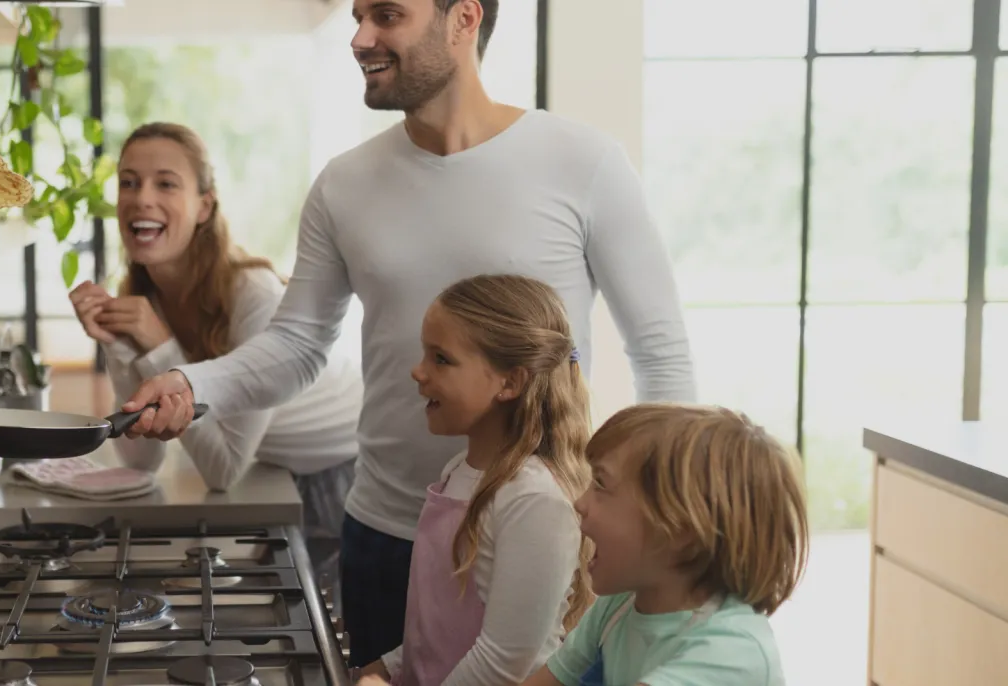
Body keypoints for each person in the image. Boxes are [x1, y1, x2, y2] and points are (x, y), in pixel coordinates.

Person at [113, 0, 696, 667]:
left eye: (387, 15)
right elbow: (299, 345)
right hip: (388, 532)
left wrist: (662, 516)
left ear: (463, 19)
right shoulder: (344, 184)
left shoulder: (583, 162)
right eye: (360, 16)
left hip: (543, 535)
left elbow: (660, 352)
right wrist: (191, 382)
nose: (360, 37)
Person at [69, 121, 364, 598]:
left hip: (342, 476)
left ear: (204, 206)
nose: (141, 198)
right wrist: (118, 343)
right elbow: (141, 459)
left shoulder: (253, 295)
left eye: (165, 183)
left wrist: (159, 345)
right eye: (128, 182)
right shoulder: (147, 297)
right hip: (273, 469)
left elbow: (223, 469)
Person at [353, 274, 594, 686]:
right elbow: (439, 626)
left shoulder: (533, 499)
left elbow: (503, 663)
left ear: (510, 382)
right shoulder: (458, 470)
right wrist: (389, 668)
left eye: (441, 359)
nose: (418, 371)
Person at [520, 404, 808, 686]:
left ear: (681, 531)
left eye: (601, 484)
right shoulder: (619, 605)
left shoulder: (732, 650)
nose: (579, 503)